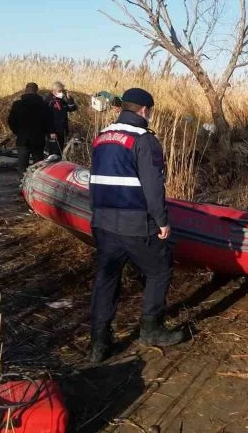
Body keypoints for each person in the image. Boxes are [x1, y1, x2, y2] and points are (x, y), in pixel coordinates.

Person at [88, 87, 184, 363]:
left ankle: (98, 343)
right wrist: (163, 221)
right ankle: (151, 329)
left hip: (103, 221)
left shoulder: (102, 137)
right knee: (160, 269)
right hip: (134, 222)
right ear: (144, 110)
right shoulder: (143, 140)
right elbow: (154, 187)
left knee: (107, 278)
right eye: (150, 112)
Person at [7, 82, 54, 176]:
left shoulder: (17, 104)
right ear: (37, 91)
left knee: (22, 165)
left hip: (22, 139)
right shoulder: (44, 105)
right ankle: (36, 185)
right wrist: (45, 133)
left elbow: (11, 121)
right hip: (38, 139)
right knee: (38, 165)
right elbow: (49, 122)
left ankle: (22, 185)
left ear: (26, 90)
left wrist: (17, 132)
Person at [45, 81, 77, 154]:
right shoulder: (48, 101)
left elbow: (72, 108)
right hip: (53, 132)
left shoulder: (61, 100)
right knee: (53, 154)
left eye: (62, 91)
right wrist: (51, 132)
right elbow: (47, 118)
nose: (61, 93)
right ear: (53, 91)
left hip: (61, 130)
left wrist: (69, 99)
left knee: (59, 152)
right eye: (60, 91)